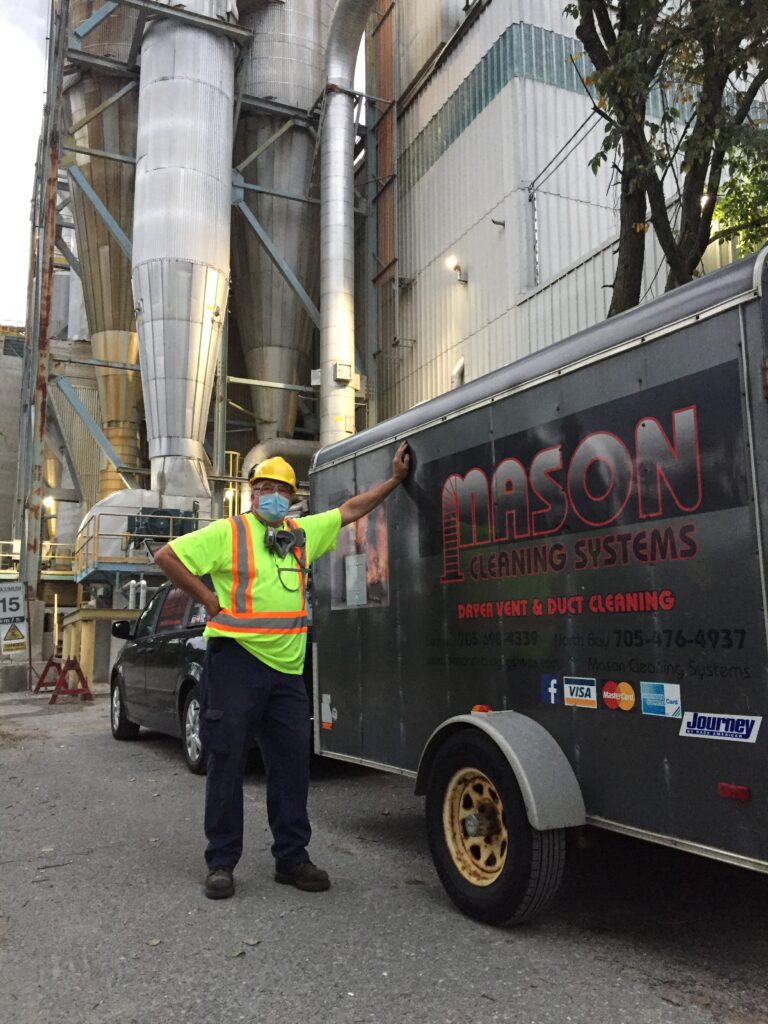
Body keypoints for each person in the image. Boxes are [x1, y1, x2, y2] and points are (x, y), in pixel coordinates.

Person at [153, 442, 411, 900]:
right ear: (252, 496)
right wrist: (208, 599)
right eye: (264, 489)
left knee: (291, 765)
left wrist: (392, 481)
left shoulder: (301, 533)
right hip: (235, 661)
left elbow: (350, 510)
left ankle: (291, 859)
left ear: (291, 499)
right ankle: (221, 862)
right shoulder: (229, 533)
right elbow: (167, 556)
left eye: (280, 490)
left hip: (287, 672)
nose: (271, 496)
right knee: (228, 761)